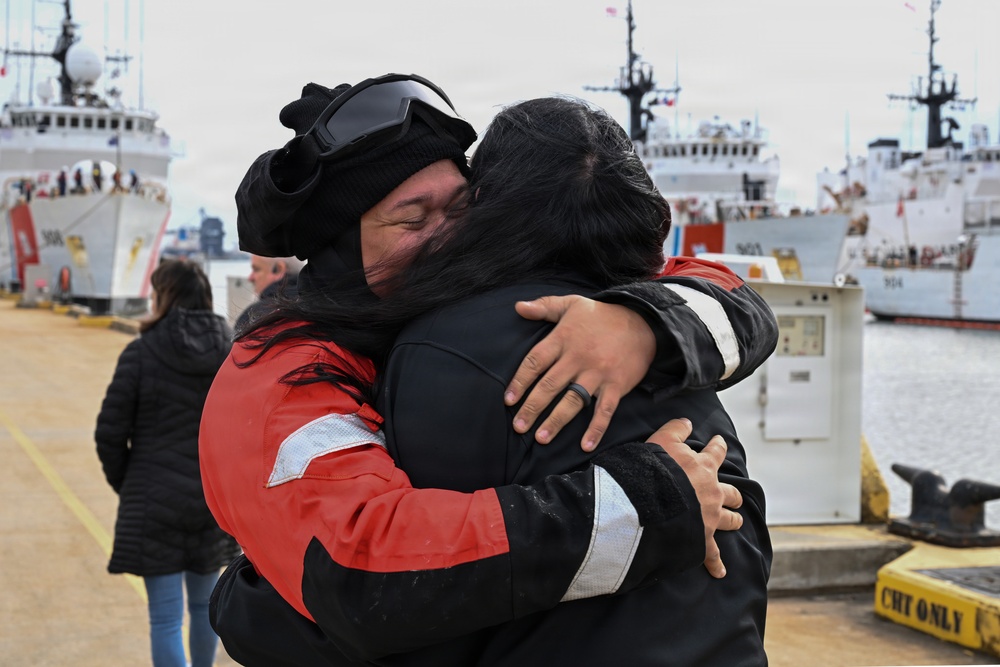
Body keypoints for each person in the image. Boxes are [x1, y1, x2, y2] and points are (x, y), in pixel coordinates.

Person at [199, 74, 776, 663]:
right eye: (412, 219)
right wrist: (647, 508)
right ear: (342, 248)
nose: (449, 235)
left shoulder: (489, 311)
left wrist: (642, 323)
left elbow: (722, 288)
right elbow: (363, 569)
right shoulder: (281, 372)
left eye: (461, 206)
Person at [95, 259, 241, 667]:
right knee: (203, 608)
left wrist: (130, 482)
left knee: (164, 619)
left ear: (163, 296)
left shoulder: (141, 352)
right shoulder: (231, 353)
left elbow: (109, 432)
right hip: (212, 503)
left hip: (154, 503)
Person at [235, 254, 306, 330]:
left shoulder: (256, 315)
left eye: (256, 269)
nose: (250, 278)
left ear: (279, 269)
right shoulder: (315, 306)